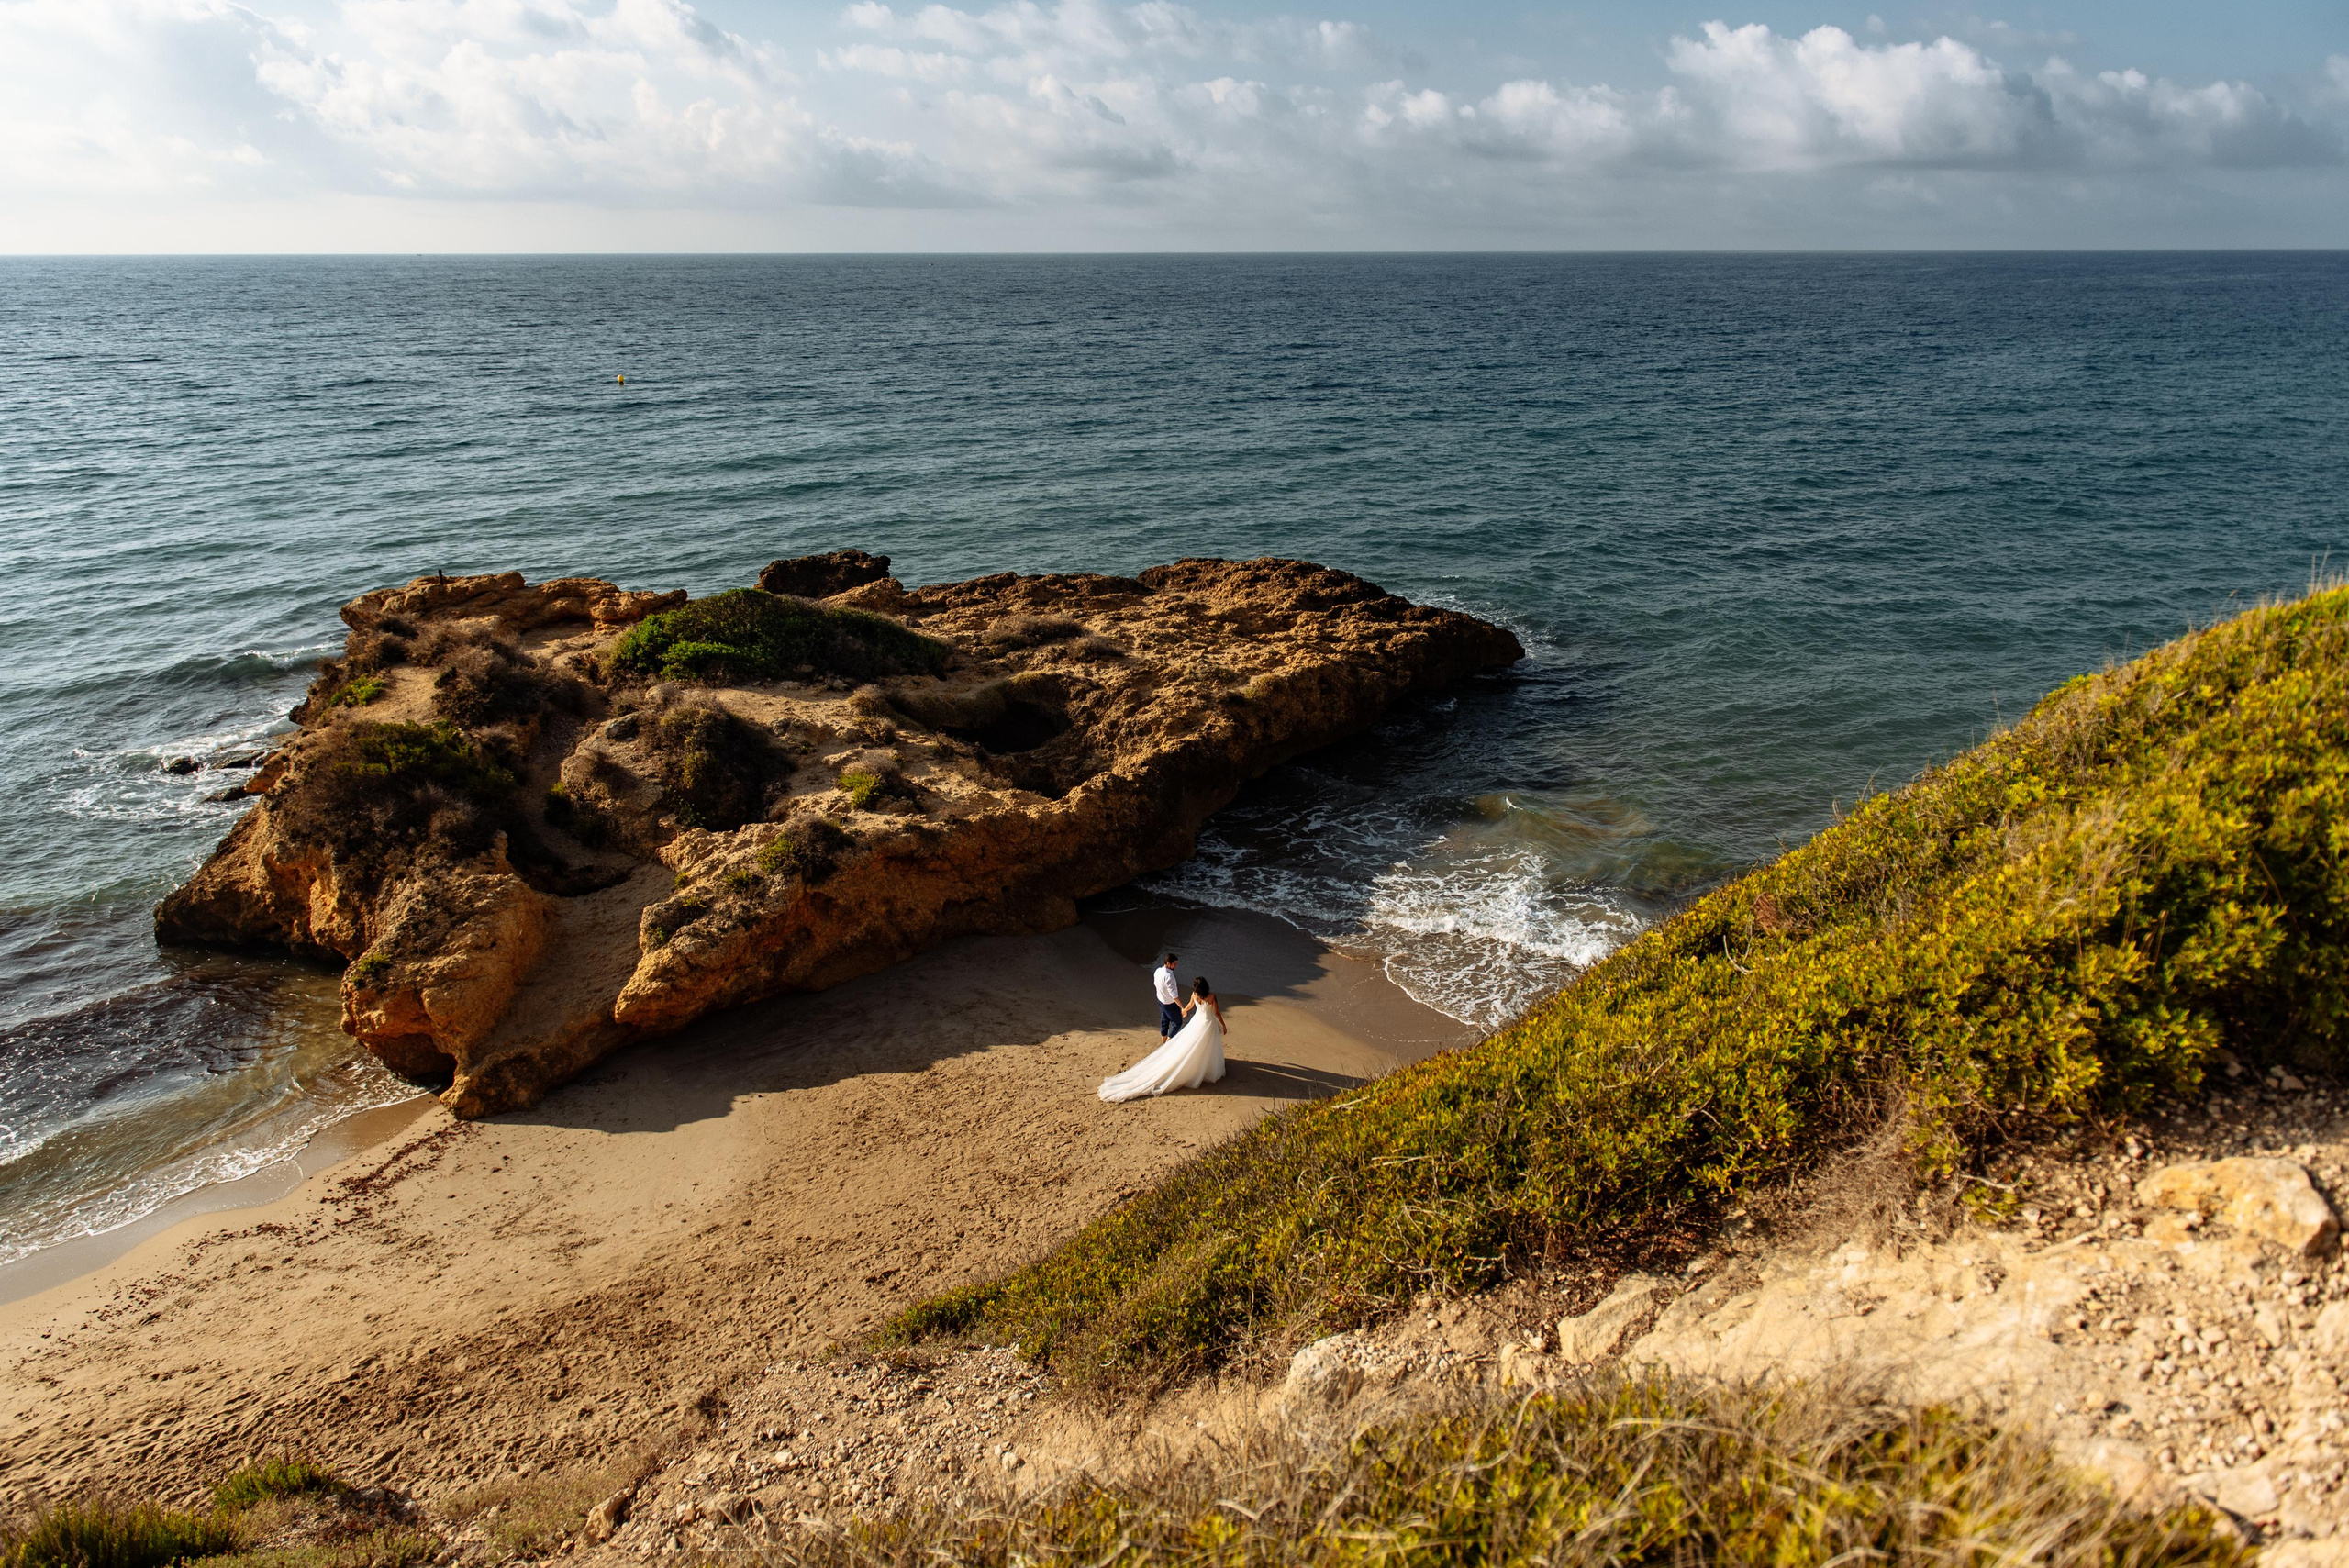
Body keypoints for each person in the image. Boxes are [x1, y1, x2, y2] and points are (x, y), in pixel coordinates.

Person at [1100, 976, 1228, 1103]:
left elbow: (1190, 1005)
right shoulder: (1211, 996)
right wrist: (1223, 1025)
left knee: (1192, 1045)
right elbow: (1217, 1013)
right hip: (1207, 1024)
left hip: (1197, 1022)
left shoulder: (1194, 994)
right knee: (1207, 1046)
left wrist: (1184, 1010)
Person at [1152, 952, 1184, 1040]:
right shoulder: (1169, 977)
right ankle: (1169, 1043)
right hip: (1169, 1004)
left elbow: (1156, 984)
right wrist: (1182, 1008)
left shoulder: (1158, 970)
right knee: (1177, 1023)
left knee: (1164, 1022)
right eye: (1174, 964)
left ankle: (1164, 1044)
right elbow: (1174, 996)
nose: (1175, 966)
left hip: (1160, 1000)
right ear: (1168, 963)